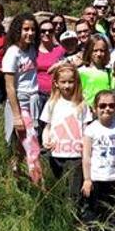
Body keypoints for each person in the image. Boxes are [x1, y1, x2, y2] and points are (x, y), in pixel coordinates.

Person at [2, 13, 43, 185]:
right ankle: (39, 182)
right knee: (31, 142)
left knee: (22, 144)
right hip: (20, 101)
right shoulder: (13, 53)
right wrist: (17, 115)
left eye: (33, 29)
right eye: (26, 29)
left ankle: (15, 174)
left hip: (34, 99)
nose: (30, 33)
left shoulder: (32, 50)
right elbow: (10, 86)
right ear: (18, 30)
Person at [81, 90, 115, 231]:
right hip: (97, 177)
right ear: (95, 108)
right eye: (102, 106)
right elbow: (87, 156)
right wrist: (87, 179)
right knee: (95, 210)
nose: (106, 109)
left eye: (111, 105)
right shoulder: (91, 129)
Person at [41, 62, 92, 199]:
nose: (67, 86)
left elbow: (86, 129)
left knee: (74, 191)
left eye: (70, 82)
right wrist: (45, 141)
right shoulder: (52, 103)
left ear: (76, 82)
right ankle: (59, 216)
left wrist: (85, 146)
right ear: (56, 83)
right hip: (56, 154)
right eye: (63, 82)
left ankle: (73, 216)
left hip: (75, 155)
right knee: (57, 189)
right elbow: (47, 127)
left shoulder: (82, 104)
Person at [35, 18, 66, 135]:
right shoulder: (33, 50)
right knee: (37, 124)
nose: (46, 33)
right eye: (43, 31)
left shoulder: (60, 50)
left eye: (50, 30)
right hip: (37, 93)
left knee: (53, 124)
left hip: (55, 93)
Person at [79, 34, 115, 105]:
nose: (99, 54)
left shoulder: (110, 73)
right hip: (87, 112)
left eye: (102, 50)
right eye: (95, 50)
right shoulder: (81, 72)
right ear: (89, 51)